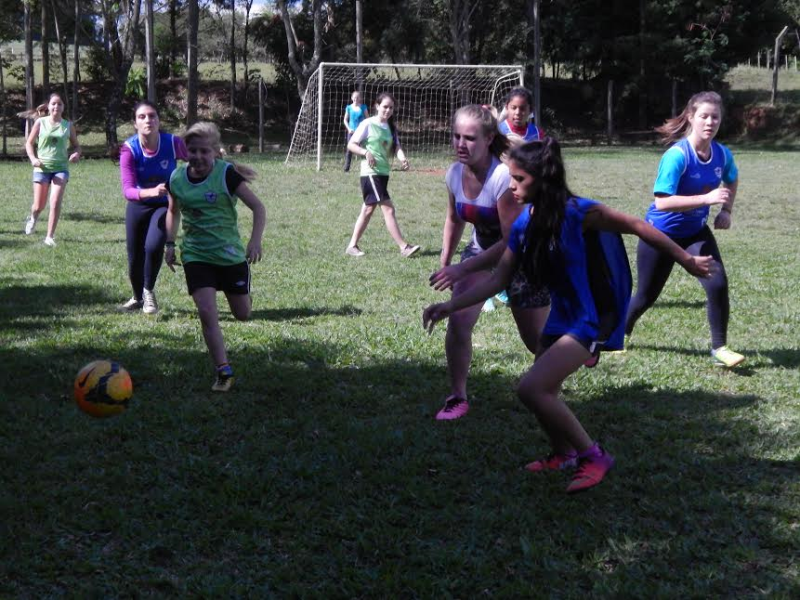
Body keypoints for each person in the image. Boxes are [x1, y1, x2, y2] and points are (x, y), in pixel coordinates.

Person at [423, 138, 714, 493]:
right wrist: (450, 306)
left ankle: (594, 456)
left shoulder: (579, 212)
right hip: (559, 319)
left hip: (586, 321)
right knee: (546, 392)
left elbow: (638, 225)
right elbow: (499, 279)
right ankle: (563, 454)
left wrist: (687, 260)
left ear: (544, 179)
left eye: (519, 179)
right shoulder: (524, 223)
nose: (511, 185)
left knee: (531, 389)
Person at [428, 104, 549, 420]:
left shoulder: (502, 178)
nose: (460, 144)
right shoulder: (454, 174)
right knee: (458, 321)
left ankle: (556, 379)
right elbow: (454, 219)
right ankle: (457, 396)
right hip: (480, 251)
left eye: (469, 138)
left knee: (535, 340)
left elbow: (510, 242)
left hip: (522, 258)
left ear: (489, 139)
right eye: (456, 136)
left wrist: (462, 268)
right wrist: (446, 261)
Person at [624, 91, 744, 368]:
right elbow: (662, 202)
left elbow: (733, 179)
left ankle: (720, 348)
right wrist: (706, 199)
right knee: (646, 296)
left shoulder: (722, 154)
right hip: (660, 234)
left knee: (717, 283)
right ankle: (619, 333)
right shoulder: (677, 156)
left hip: (695, 232)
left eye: (715, 117)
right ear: (691, 117)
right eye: (704, 116)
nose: (710, 122)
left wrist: (726, 210)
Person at [164, 122, 266, 392]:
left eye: (204, 151)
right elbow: (173, 211)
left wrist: (255, 241)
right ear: (185, 152)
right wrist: (170, 243)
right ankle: (223, 370)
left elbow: (258, 208)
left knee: (242, 314)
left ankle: (245, 298)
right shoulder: (176, 179)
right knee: (207, 312)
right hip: (196, 255)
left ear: (215, 152)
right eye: (193, 151)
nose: (198, 157)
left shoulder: (226, 175)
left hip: (229, 255)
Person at [118, 101, 188, 314]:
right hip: (138, 206)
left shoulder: (172, 142)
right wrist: (151, 192)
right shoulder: (129, 149)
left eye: (152, 116)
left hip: (164, 205)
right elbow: (128, 190)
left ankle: (148, 292)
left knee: (153, 246)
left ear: (158, 120)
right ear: (135, 123)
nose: (148, 120)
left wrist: (213, 157)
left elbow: (196, 159)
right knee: (134, 258)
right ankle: (137, 297)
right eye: (142, 117)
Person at [345, 92, 421, 258]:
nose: (388, 110)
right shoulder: (367, 124)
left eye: (391, 108)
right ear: (377, 106)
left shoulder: (391, 127)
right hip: (370, 173)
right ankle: (404, 247)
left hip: (383, 173)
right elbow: (351, 144)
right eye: (385, 106)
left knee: (367, 210)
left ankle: (352, 246)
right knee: (388, 209)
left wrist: (403, 159)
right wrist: (366, 152)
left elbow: (397, 147)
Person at [23, 93, 81, 247]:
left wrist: (76, 154)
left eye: (60, 104)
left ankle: (49, 237)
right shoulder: (40, 122)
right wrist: (33, 159)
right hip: (42, 168)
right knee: (39, 206)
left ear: (63, 107)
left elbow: (77, 146)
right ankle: (33, 218)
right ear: (48, 106)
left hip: (61, 168)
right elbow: (29, 143)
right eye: (53, 103)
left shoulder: (68, 125)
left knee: (55, 202)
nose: (56, 106)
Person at [343, 90, 369, 172]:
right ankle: (346, 168)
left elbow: (367, 119)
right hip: (352, 132)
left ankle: (368, 166)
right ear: (352, 98)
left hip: (362, 132)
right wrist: (349, 129)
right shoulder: (349, 108)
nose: (356, 99)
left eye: (357, 98)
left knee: (364, 149)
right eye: (354, 98)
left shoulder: (363, 107)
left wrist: (365, 129)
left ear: (360, 98)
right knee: (349, 150)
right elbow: (345, 120)